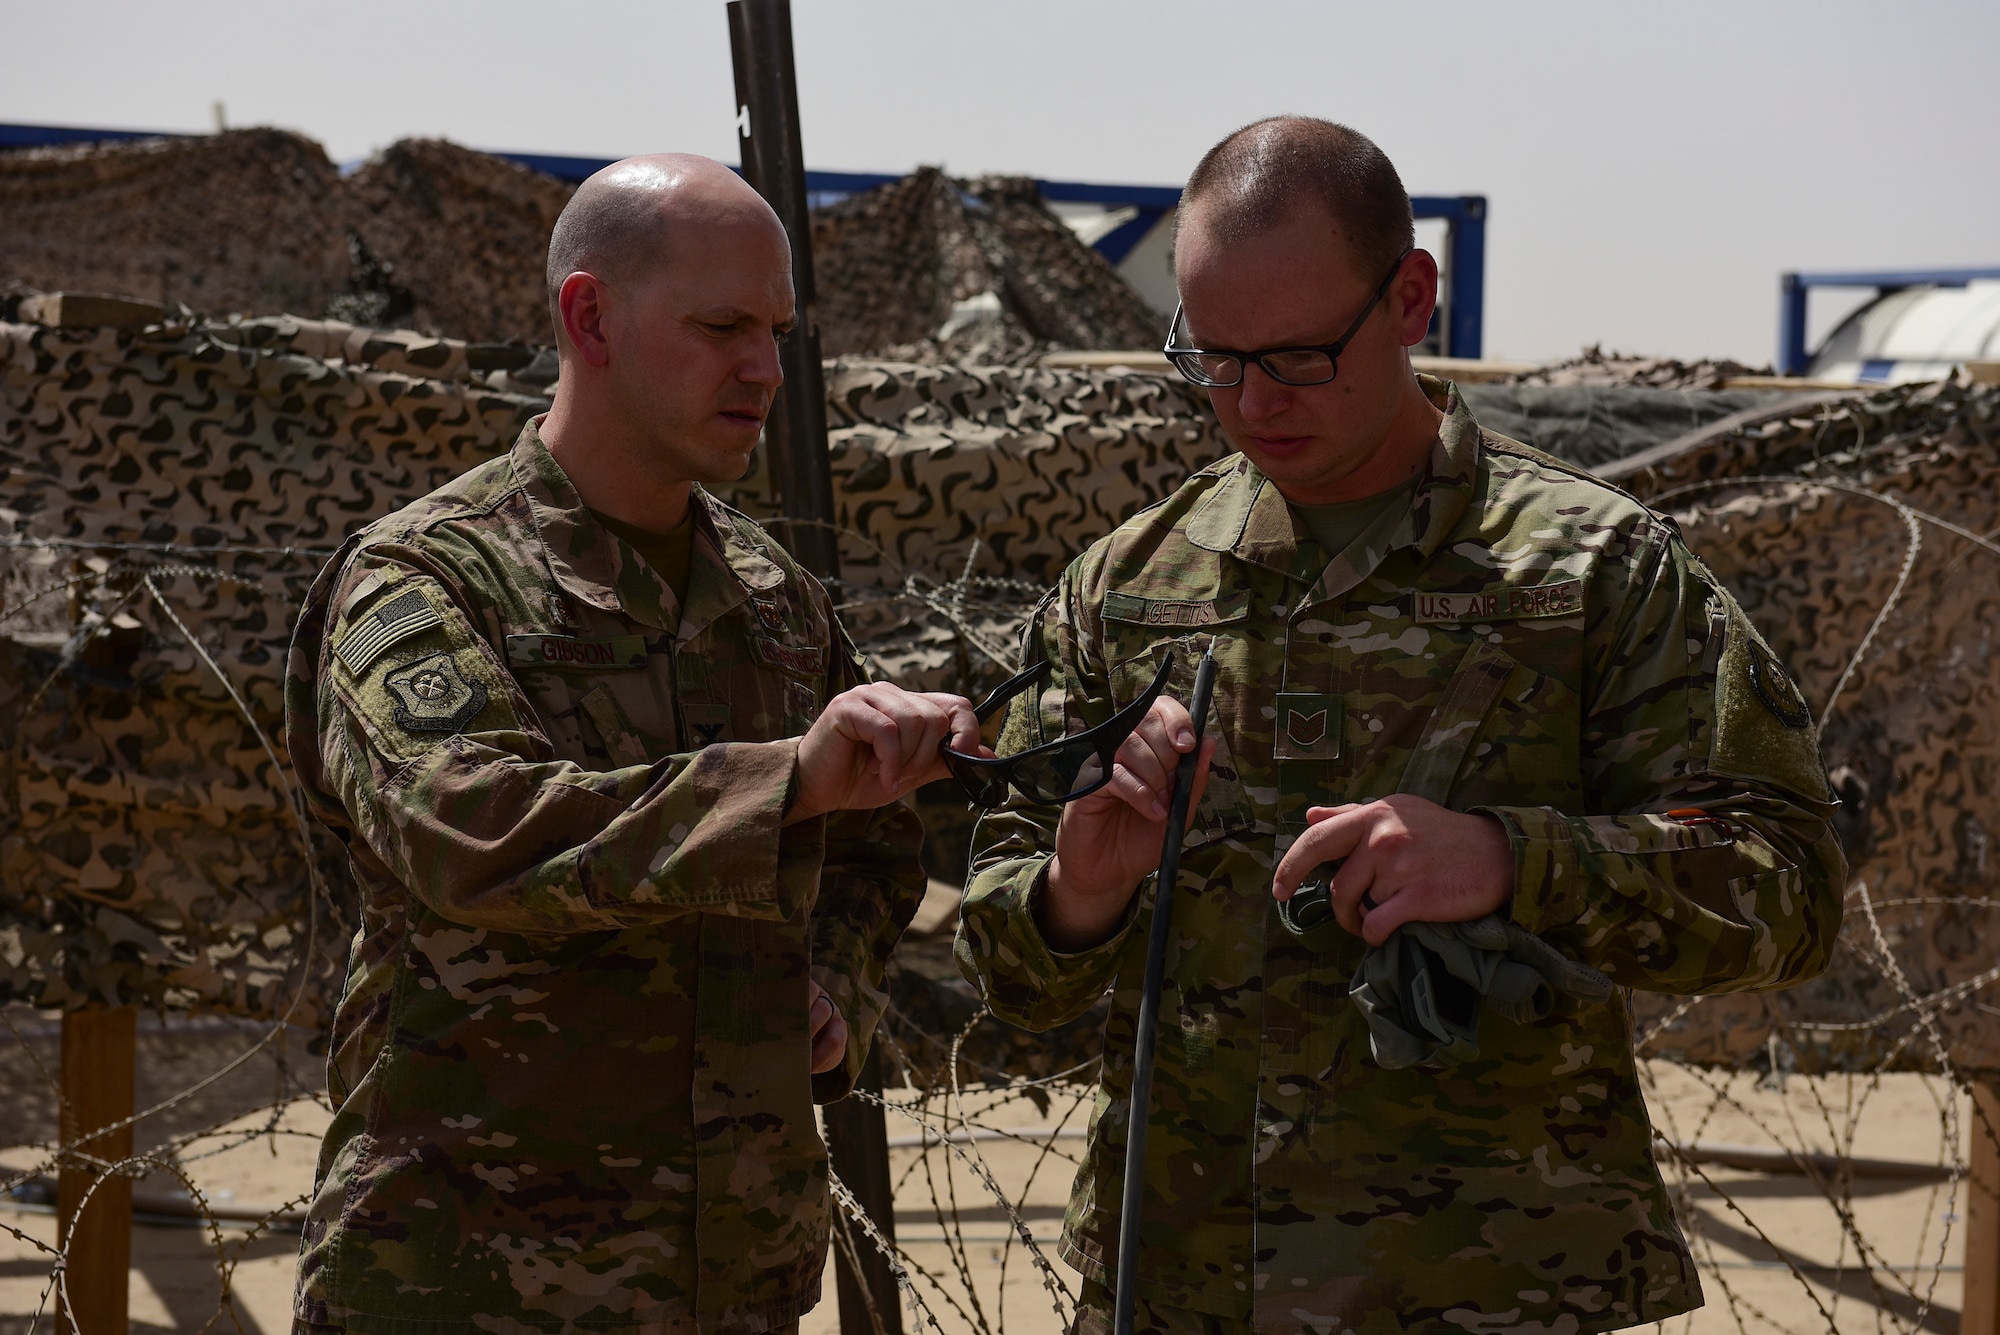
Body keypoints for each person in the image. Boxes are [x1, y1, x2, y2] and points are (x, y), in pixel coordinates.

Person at [955, 117, 1845, 1335]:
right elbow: (1001, 967)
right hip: (1181, 1279)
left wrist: (1507, 860)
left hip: (1490, 1285)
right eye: (1211, 358)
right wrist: (1080, 886)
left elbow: (1787, 893)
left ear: (1410, 297)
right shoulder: (1129, 583)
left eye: (1299, 355)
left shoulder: (1590, 570)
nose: (1252, 402)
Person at [283, 154, 975, 1334]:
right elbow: (468, 828)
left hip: (727, 1281)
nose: (762, 367)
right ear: (587, 316)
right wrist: (785, 785)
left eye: (775, 329)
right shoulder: (429, 578)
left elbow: (874, 839)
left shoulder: (772, 598)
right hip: (462, 1283)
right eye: (718, 326)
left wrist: (834, 991)